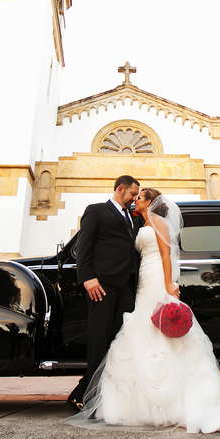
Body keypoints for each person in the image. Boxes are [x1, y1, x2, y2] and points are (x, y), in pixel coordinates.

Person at [66, 188, 220, 433]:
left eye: (140, 196)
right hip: (142, 280)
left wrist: (168, 283)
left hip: (157, 277)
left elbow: (166, 254)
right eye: (135, 196)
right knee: (143, 329)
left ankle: (168, 400)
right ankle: (140, 401)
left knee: (155, 330)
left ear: (151, 202)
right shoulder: (138, 221)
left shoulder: (157, 222)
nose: (136, 200)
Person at [66, 175, 141, 412]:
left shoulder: (133, 218)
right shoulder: (96, 211)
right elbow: (84, 246)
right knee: (99, 339)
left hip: (127, 286)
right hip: (102, 286)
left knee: (119, 340)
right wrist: (87, 278)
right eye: (132, 194)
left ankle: (110, 395)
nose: (134, 199)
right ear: (121, 189)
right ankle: (86, 394)